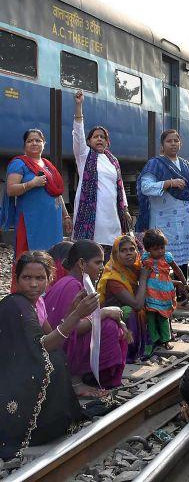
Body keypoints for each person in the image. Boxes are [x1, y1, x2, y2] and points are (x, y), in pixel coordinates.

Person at [0, 257, 96, 458]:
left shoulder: (38, 302)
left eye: (39, 278)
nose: (33, 284)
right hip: (10, 375)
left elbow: (52, 337)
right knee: (52, 361)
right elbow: (42, 346)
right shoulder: (17, 305)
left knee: (57, 358)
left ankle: (52, 418)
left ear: (49, 279)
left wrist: (72, 310)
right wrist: (77, 315)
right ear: (16, 279)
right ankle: (41, 424)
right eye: (27, 277)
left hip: (22, 366)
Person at [44, 240, 129, 395]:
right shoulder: (73, 286)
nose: (102, 267)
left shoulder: (70, 282)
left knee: (110, 320)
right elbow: (72, 328)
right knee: (109, 325)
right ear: (82, 264)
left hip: (54, 347)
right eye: (98, 262)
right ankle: (76, 380)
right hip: (60, 350)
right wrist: (104, 313)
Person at [136, 128, 189, 311]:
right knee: (159, 258)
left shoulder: (186, 165)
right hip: (163, 219)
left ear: (180, 144)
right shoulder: (155, 165)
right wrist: (168, 183)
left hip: (183, 219)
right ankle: (157, 299)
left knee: (182, 260)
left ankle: (182, 298)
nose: (173, 144)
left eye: (176, 141)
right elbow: (145, 187)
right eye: (169, 141)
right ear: (162, 145)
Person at [1, 128, 70, 291]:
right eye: (30, 140)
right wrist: (32, 183)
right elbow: (11, 190)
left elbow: (56, 193)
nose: (34, 143)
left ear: (44, 144)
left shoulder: (48, 165)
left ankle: (51, 291)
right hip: (31, 222)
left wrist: (66, 215)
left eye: (38, 140)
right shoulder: (19, 163)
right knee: (29, 257)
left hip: (52, 223)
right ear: (24, 144)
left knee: (53, 255)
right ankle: (25, 293)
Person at [71, 90, 131, 261]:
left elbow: (119, 186)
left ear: (107, 141)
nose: (99, 139)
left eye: (103, 137)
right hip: (92, 216)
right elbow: (78, 133)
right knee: (90, 254)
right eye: (95, 137)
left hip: (112, 214)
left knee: (111, 253)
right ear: (89, 141)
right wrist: (79, 106)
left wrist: (125, 208)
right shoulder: (84, 156)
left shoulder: (113, 161)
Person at [97, 235, 151, 361]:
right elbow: (136, 305)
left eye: (132, 249)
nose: (129, 254)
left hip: (126, 313)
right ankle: (128, 350)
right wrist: (143, 279)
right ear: (116, 254)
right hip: (114, 318)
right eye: (123, 250)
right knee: (129, 310)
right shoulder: (113, 278)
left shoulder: (133, 268)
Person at [141, 228, 189, 352]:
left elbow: (177, 270)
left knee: (164, 316)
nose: (160, 251)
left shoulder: (167, 257)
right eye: (156, 249)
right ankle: (153, 339)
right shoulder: (146, 258)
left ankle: (166, 340)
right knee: (151, 316)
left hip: (165, 293)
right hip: (150, 293)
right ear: (148, 249)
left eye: (162, 247)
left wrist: (184, 283)